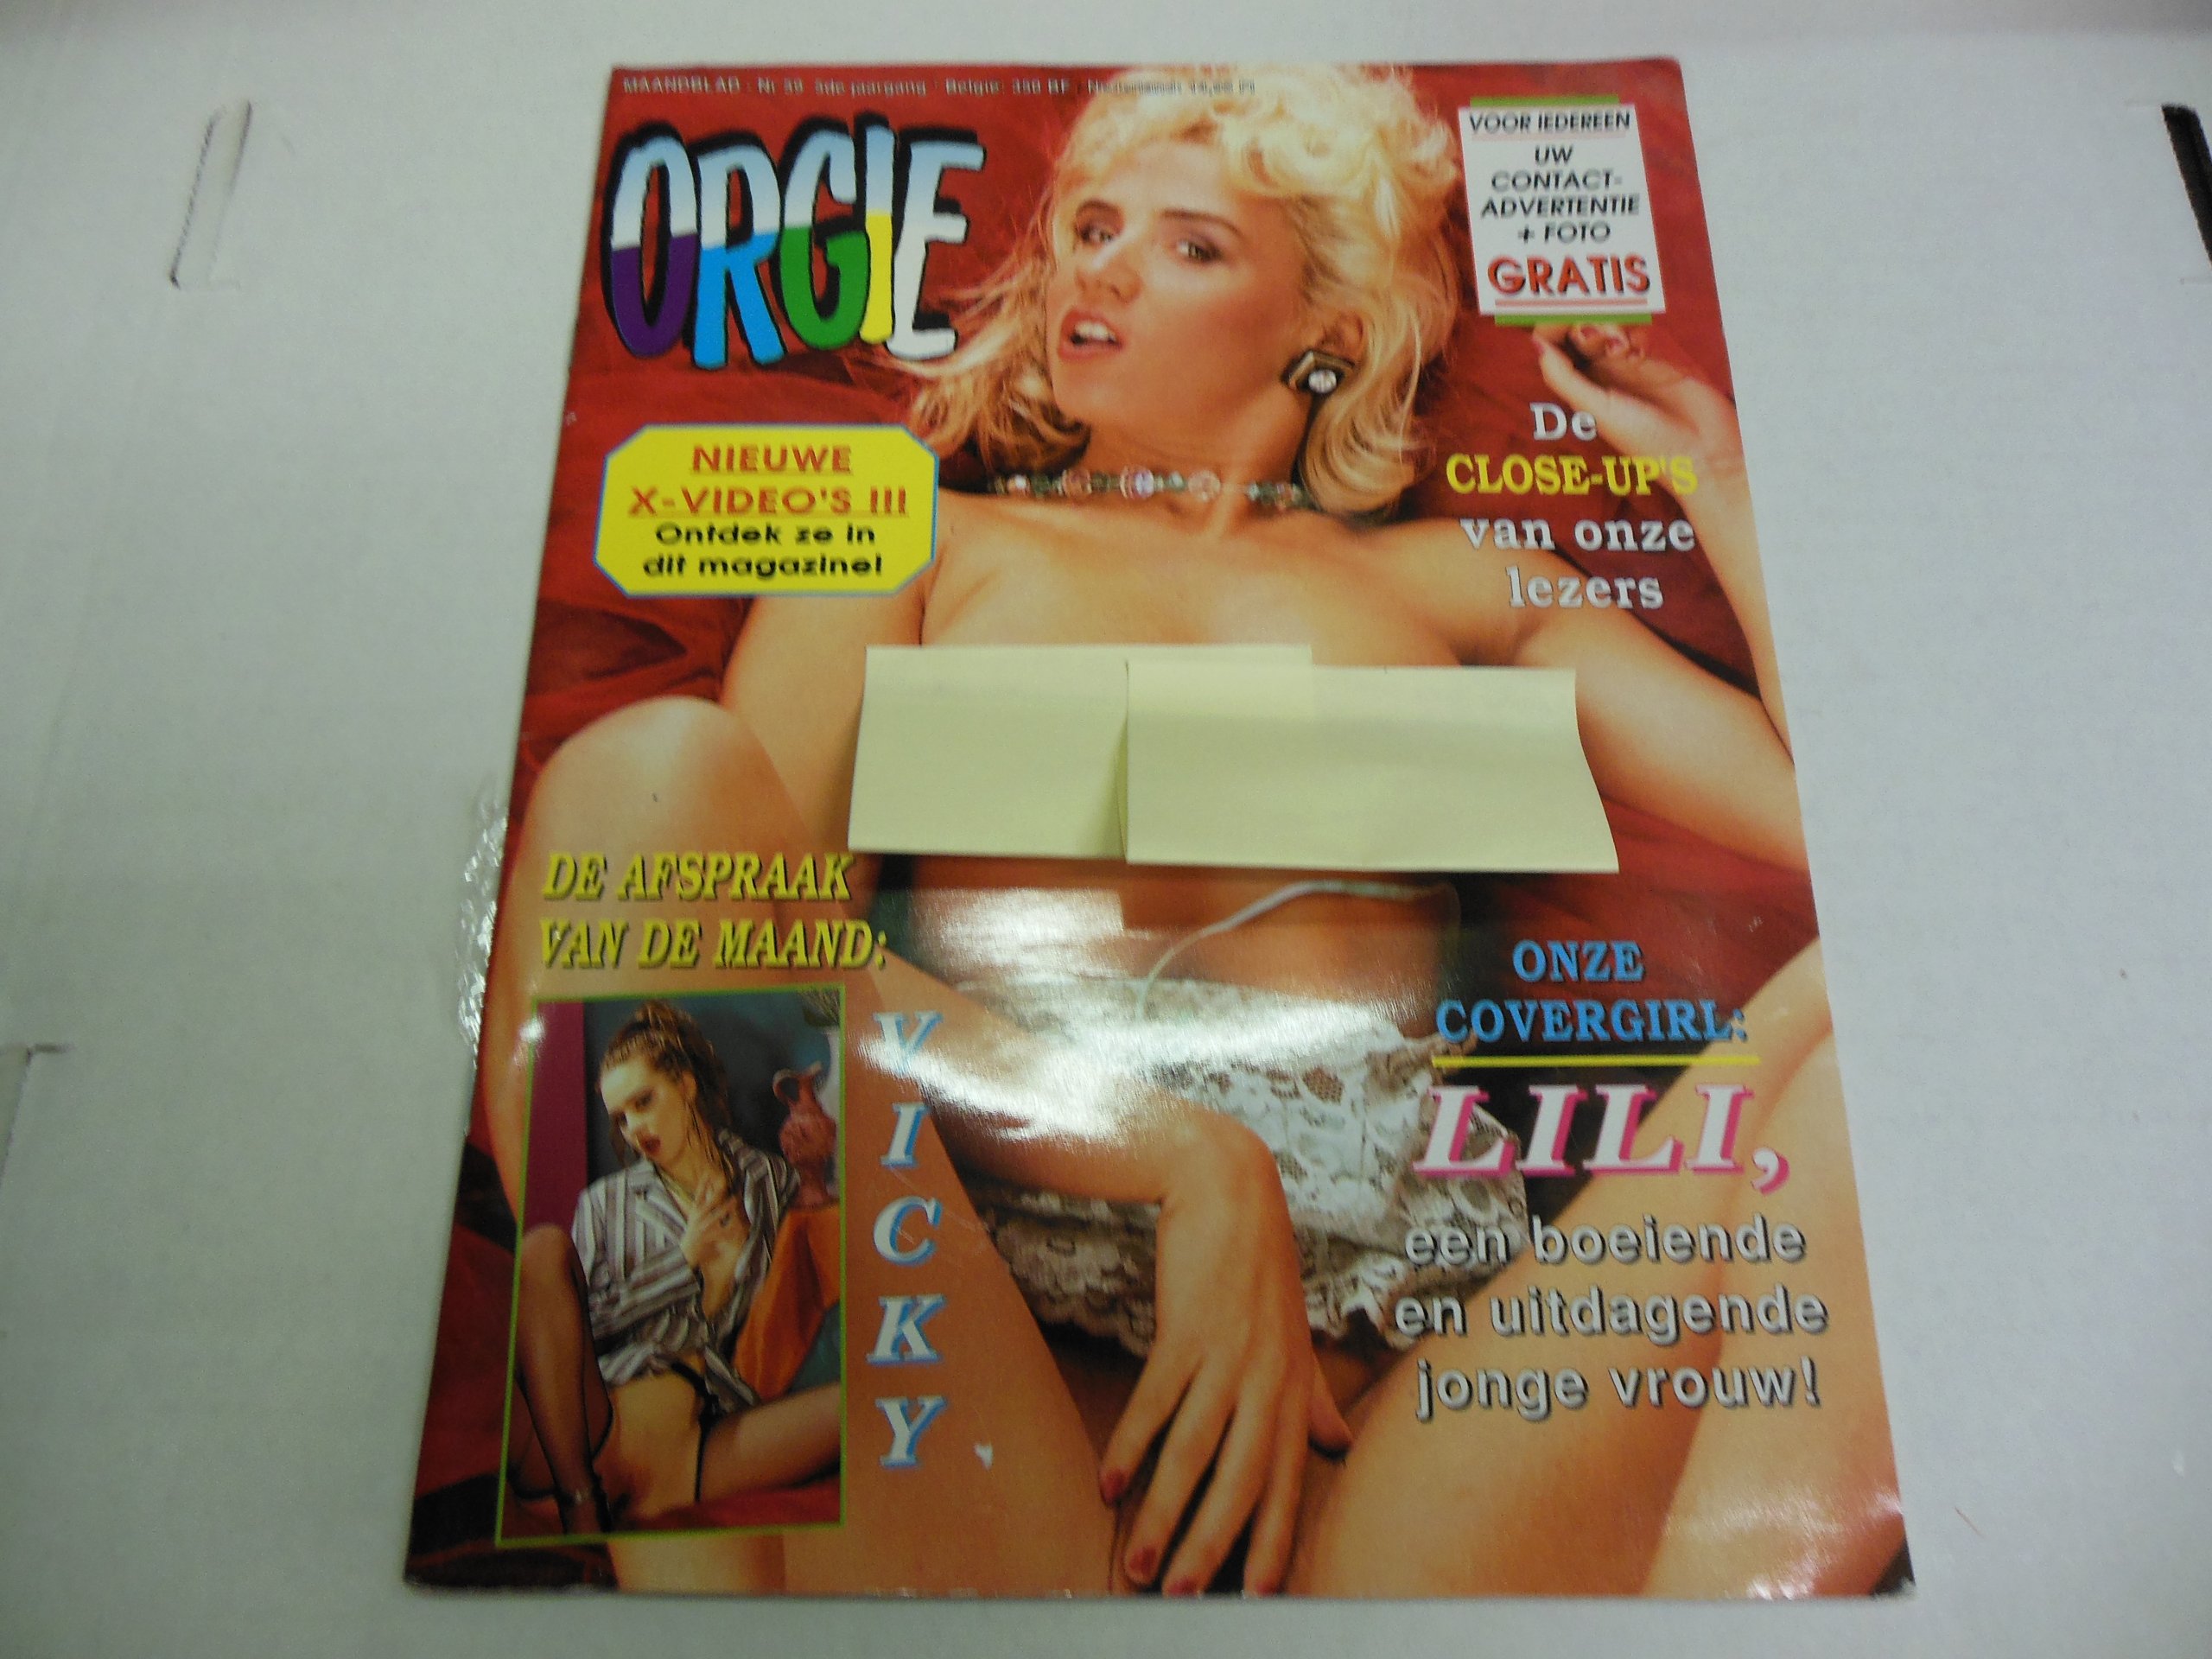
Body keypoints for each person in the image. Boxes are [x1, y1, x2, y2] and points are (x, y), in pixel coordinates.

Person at [482, 66, 1901, 1595]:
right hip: (989, 1447)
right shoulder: (921, 538)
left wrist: (1720, 480)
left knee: (1880, 998)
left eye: (1189, 244)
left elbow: (1859, 827)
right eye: (1091, 228)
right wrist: (1182, 1161)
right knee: (649, 780)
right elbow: (750, 961)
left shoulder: (1458, 585)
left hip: (1384, 1477)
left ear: (1325, 332)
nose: (1100, 268)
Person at [505, 1001, 841, 1539]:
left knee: (859, 1405)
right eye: (621, 1117)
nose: (635, 1128)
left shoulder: (770, 1181)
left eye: (644, 1101)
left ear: (685, 1085)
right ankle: (579, 1498)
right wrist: (683, 1260)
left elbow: (793, 1284)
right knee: (541, 1248)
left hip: (695, 1447)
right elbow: (579, 1330)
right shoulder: (605, 1203)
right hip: (591, 1434)